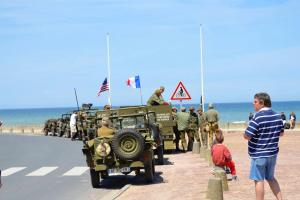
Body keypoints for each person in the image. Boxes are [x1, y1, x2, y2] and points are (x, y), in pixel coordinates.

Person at [244, 92, 284, 200]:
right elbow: (281, 133)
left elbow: (247, 136)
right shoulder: (277, 116)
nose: (253, 104)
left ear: (262, 103)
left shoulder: (257, 117)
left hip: (259, 154)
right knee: (271, 178)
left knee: (259, 180)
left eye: (255, 102)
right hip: (272, 153)